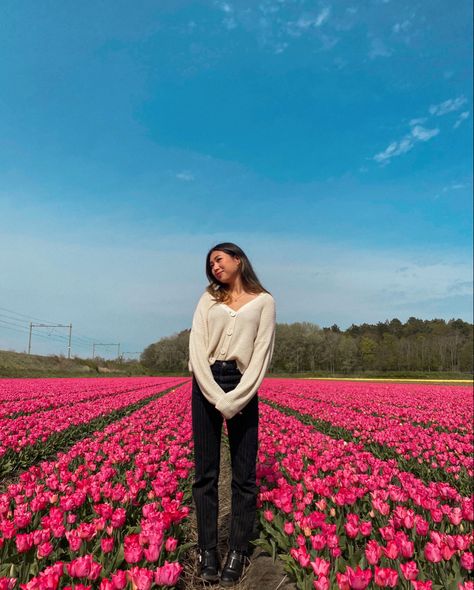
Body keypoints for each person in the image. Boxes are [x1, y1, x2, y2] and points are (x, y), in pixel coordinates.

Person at [188, 242, 276, 586]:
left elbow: (261, 354)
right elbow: (196, 346)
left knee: (244, 475)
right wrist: (213, 394)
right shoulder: (208, 297)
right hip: (206, 381)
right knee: (205, 473)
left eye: (219, 259)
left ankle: (238, 550)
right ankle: (206, 550)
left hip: (243, 384)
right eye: (210, 263)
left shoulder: (264, 301)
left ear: (238, 259)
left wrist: (237, 398)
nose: (214, 267)